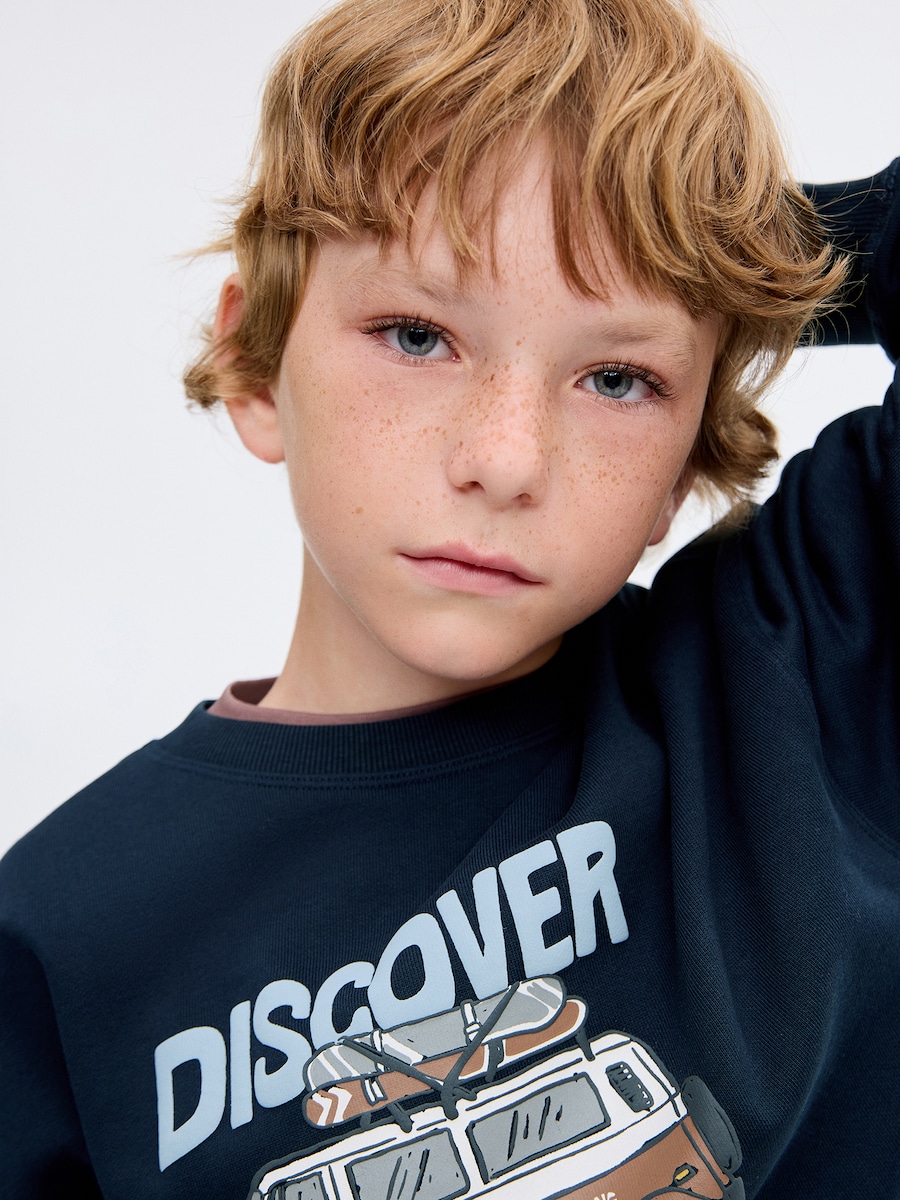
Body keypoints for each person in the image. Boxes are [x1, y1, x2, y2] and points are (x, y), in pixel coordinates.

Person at [1, 0, 897, 1195]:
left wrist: (738, 247)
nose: (507, 459)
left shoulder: (803, 675)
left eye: (618, 378)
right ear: (257, 364)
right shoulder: (61, 937)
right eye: (418, 336)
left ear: (689, 457)